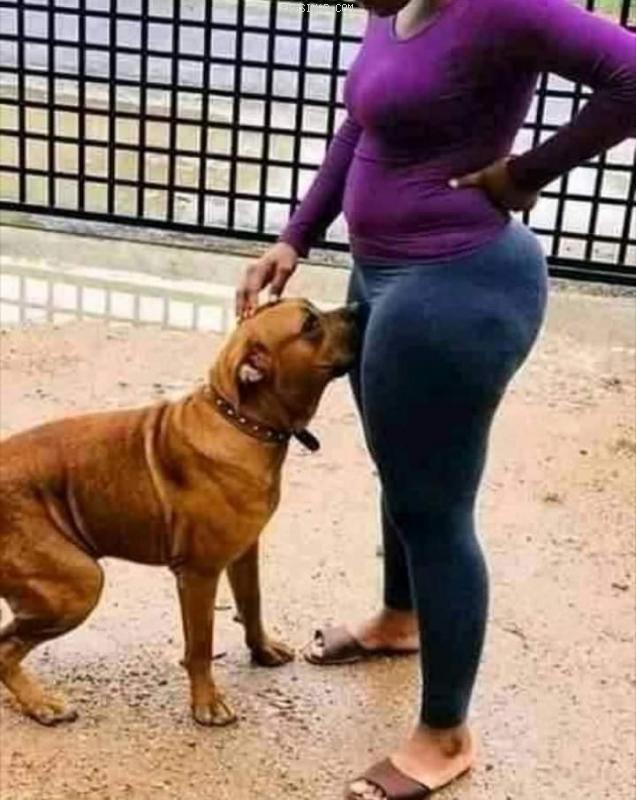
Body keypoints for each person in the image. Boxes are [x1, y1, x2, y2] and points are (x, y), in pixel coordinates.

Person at [235, 0, 636, 797]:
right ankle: (400, 619)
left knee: (435, 509)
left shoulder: (501, 6)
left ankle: (446, 735)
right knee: (402, 470)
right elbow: (362, 126)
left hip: (457, 285)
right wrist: (295, 235)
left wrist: (524, 174)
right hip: (381, 275)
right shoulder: (397, 8)